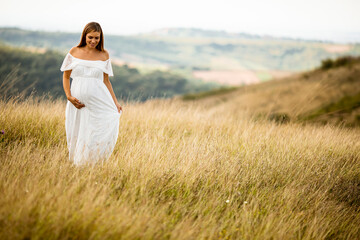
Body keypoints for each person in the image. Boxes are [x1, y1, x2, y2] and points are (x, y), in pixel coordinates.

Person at [60, 22, 122, 166]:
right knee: (76, 131)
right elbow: (66, 77)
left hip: (98, 100)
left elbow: (106, 81)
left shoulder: (104, 55)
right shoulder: (74, 51)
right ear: (84, 36)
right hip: (77, 102)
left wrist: (115, 102)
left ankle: (92, 163)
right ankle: (77, 165)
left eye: (97, 38)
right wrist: (69, 96)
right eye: (91, 37)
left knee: (96, 131)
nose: (93, 41)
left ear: (101, 38)